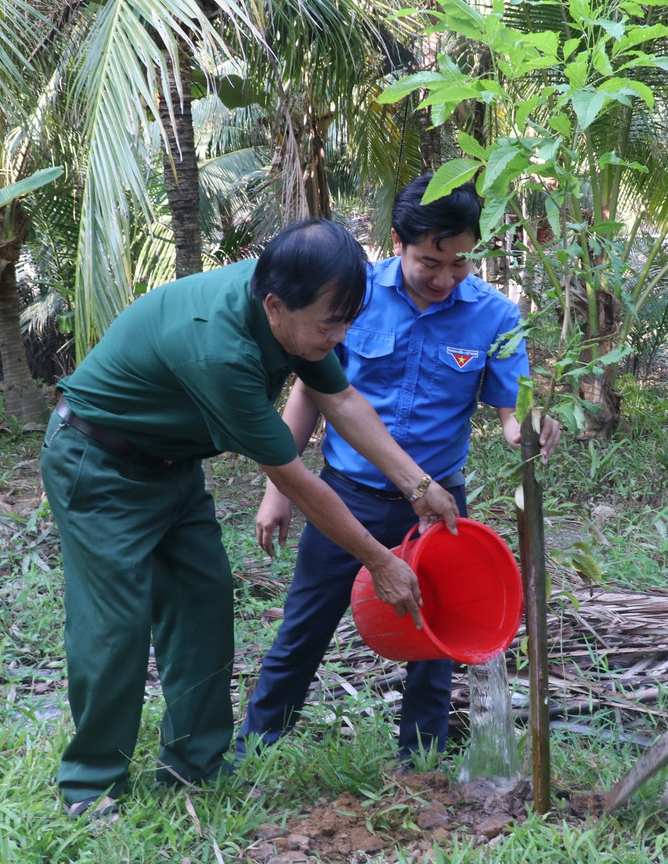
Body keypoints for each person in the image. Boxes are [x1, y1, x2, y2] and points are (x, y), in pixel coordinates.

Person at [40, 219, 460, 821]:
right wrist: (379, 558)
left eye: (348, 320)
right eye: (329, 324)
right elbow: (294, 478)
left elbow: (340, 400)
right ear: (274, 305)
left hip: (173, 467)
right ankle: (90, 785)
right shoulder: (220, 348)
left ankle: (196, 766)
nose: (340, 335)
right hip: (98, 464)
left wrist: (417, 484)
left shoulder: (299, 307)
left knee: (203, 602)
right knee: (115, 624)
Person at [236, 175, 560, 764]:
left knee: (434, 640)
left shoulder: (495, 315)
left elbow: (513, 415)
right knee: (304, 628)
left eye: (460, 263)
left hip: (438, 505)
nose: (444, 279)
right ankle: (255, 747)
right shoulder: (351, 300)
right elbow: (311, 394)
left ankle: (423, 759)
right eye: (430, 262)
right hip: (346, 497)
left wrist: (533, 428)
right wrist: (276, 491)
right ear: (397, 242)